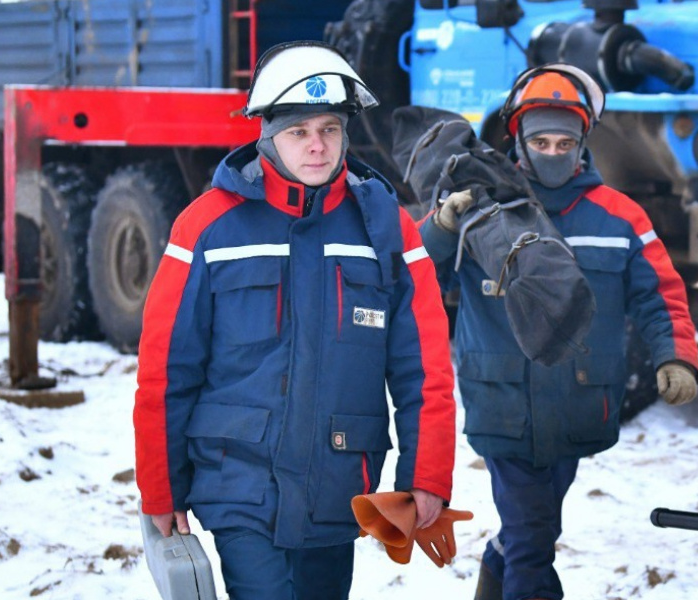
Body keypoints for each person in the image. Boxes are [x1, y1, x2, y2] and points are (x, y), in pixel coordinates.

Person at [133, 41, 457, 600]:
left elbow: (424, 366)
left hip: (338, 489)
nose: (316, 145)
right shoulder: (207, 228)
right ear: (267, 136)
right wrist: (162, 491)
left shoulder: (386, 229)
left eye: (329, 129)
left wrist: (426, 475)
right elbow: (166, 371)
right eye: (299, 131)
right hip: (238, 487)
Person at [419, 64, 698, 600]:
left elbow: (658, 292)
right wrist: (441, 226)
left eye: (564, 141)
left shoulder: (619, 217)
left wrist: (676, 356)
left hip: (579, 404)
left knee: (534, 531)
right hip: (502, 404)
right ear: (519, 140)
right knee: (533, 541)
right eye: (541, 140)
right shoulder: (482, 209)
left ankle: (495, 572)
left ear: (582, 143)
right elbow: (410, 273)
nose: (553, 152)